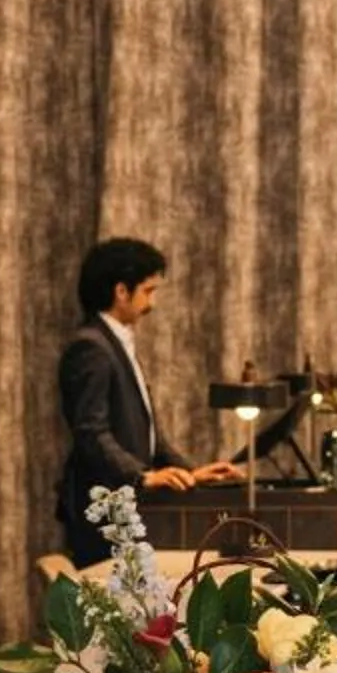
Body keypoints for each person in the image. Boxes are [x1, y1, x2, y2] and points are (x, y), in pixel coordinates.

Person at [55, 236, 237, 567]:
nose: (151, 303)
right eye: (147, 291)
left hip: (124, 508)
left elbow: (147, 430)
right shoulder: (91, 347)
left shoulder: (114, 343)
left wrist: (190, 471)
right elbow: (91, 432)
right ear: (121, 291)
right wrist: (141, 476)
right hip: (103, 515)